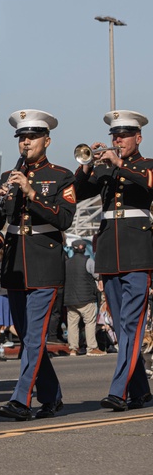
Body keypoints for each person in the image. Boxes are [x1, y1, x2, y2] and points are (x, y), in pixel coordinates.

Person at [0, 109, 75, 421]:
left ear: (47, 140)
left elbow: (64, 218)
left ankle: (22, 400)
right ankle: (51, 396)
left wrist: (30, 192)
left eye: (32, 137)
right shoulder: (8, 177)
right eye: (22, 138)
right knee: (29, 338)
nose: (26, 143)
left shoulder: (61, 175)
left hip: (44, 263)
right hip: (14, 265)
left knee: (34, 337)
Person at [74, 109, 153, 411]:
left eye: (123, 136)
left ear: (138, 138)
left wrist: (119, 164)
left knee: (131, 325)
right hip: (109, 252)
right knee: (121, 328)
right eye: (114, 136)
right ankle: (142, 391)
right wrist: (87, 165)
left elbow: (148, 183)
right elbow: (77, 195)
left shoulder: (146, 165)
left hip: (137, 252)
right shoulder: (104, 169)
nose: (118, 140)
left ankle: (119, 391)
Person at [64, 240, 103, 357]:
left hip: (70, 299)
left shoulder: (67, 263)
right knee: (90, 323)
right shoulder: (89, 261)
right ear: (85, 249)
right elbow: (96, 275)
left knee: (72, 324)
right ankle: (91, 347)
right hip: (86, 298)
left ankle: (73, 349)